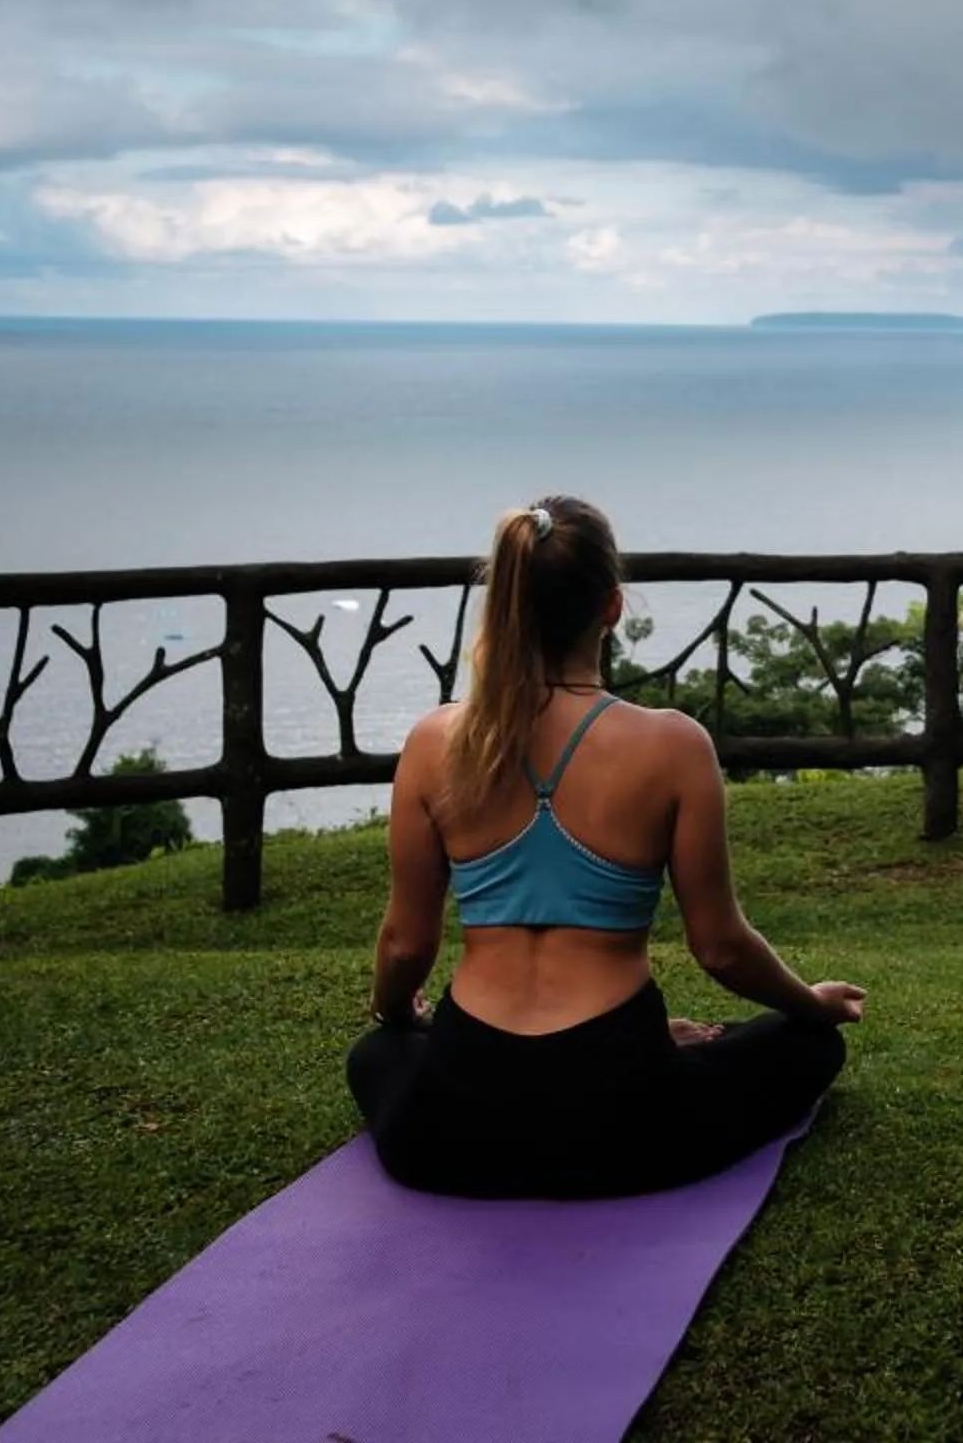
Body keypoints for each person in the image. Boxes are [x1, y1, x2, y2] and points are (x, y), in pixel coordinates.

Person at [346, 495, 864, 1198]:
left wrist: (398, 1017)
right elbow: (721, 948)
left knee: (379, 1054)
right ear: (612, 607)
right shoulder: (673, 746)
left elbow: (407, 945)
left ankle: (643, 1053)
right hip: (619, 1118)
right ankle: (661, 1053)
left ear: (505, 604)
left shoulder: (435, 742)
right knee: (809, 1045)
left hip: (460, 1122)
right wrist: (810, 1003)